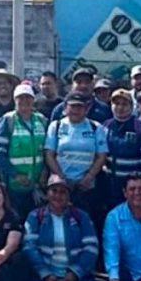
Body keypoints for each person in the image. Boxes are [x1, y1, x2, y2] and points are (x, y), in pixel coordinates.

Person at [21, 175, 104, 281]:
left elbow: (91, 248)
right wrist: (46, 275)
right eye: (54, 191)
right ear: (47, 194)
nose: (58, 195)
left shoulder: (81, 217)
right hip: (45, 278)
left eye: (63, 192)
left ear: (68, 196)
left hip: (74, 279)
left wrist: (73, 274)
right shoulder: (35, 216)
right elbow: (29, 247)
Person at [44, 91, 109, 223]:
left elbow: (101, 156)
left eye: (80, 107)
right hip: (61, 185)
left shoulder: (96, 127)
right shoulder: (56, 126)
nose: (76, 110)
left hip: (86, 186)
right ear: (65, 108)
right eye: (72, 106)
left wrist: (89, 177)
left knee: (84, 222)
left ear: (86, 109)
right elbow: (49, 154)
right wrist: (61, 178)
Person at [0, 83, 48, 218]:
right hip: (14, 187)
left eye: (28, 97)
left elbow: (47, 150)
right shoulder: (7, 120)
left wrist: (45, 170)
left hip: (37, 185)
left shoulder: (42, 120)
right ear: (14, 100)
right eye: (20, 98)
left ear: (33, 100)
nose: (24, 101)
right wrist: (15, 175)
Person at [103, 88, 141, 209]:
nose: (120, 107)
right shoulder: (105, 126)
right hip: (109, 184)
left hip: (132, 187)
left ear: (132, 106)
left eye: (124, 104)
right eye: (116, 103)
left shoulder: (140, 127)